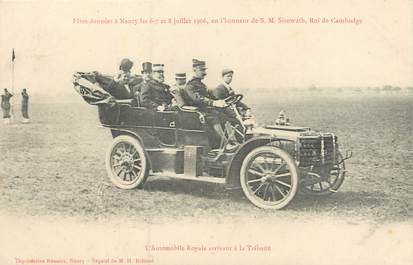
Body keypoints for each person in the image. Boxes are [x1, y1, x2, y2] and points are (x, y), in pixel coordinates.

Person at [182, 59, 238, 150]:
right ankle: (225, 145)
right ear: (195, 70)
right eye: (202, 70)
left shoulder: (201, 84)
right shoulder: (190, 85)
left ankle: (233, 142)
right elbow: (197, 98)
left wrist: (220, 100)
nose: (204, 73)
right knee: (215, 117)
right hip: (196, 113)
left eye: (205, 70)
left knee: (224, 116)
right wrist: (213, 103)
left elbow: (209, 95)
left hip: (204, 111)